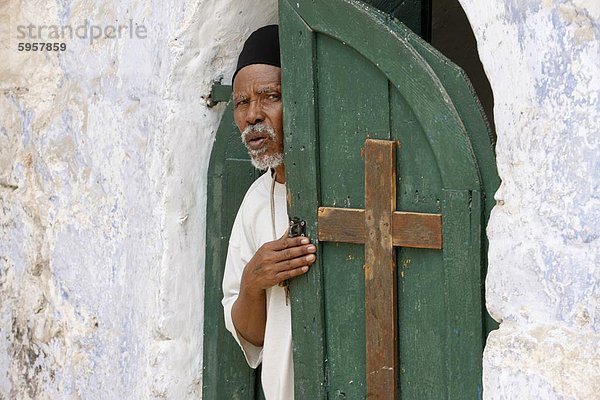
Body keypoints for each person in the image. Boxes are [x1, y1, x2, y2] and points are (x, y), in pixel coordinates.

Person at [221, 25, 317, 400]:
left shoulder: (347, 189)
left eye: (270, 96)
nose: (252, 115)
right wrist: (253, 282)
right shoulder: (256, 201)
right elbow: (252, 337)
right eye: (242, 102)